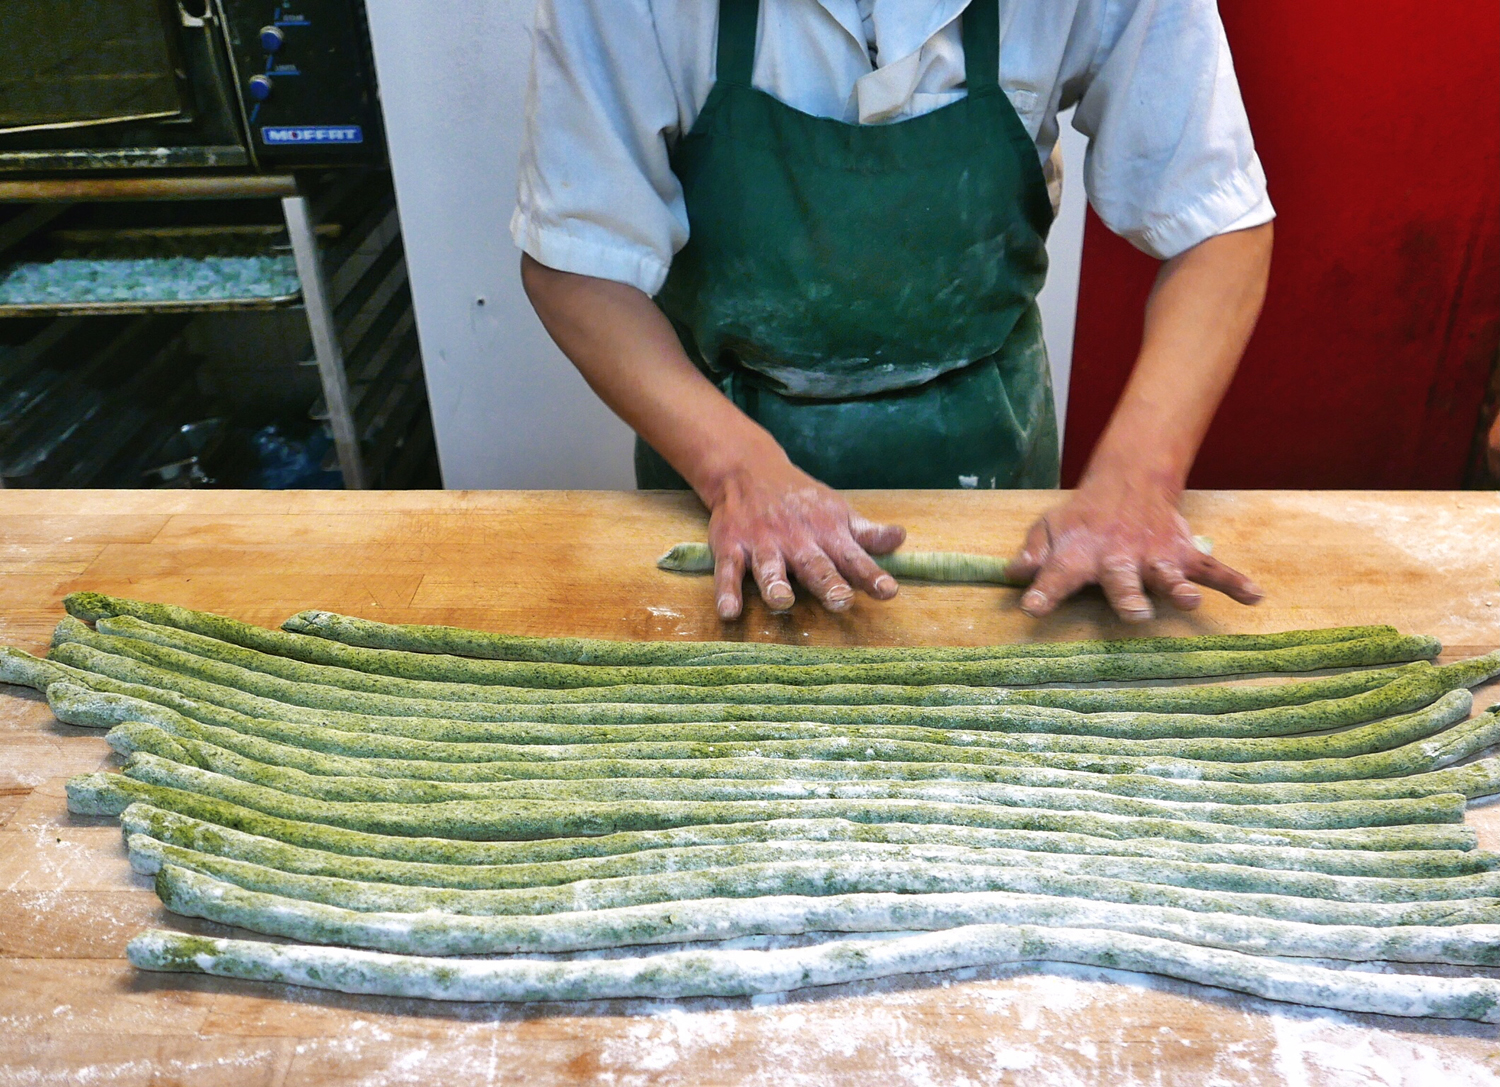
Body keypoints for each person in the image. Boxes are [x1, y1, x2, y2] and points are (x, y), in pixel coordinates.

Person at [514, 0, 1275, 623]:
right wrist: (735, 471)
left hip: (993, 453)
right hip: (721, 474)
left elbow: (1216, 225)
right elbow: (577, 265)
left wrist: (1139, 479)